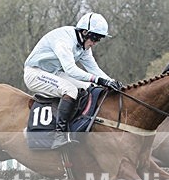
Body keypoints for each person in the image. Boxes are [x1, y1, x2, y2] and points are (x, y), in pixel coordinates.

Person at [24, 12, 124, 149]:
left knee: (89, 87)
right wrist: (100, 80)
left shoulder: (83, 45)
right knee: (70, 90)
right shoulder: (64, 40)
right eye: (94, 38)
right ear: (84, 32)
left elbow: (93, 69)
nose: (95, 43)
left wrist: (111, 81)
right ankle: (59, 135)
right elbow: (70, 69)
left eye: (99, 39)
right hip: (35, 73)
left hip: (54, 73)